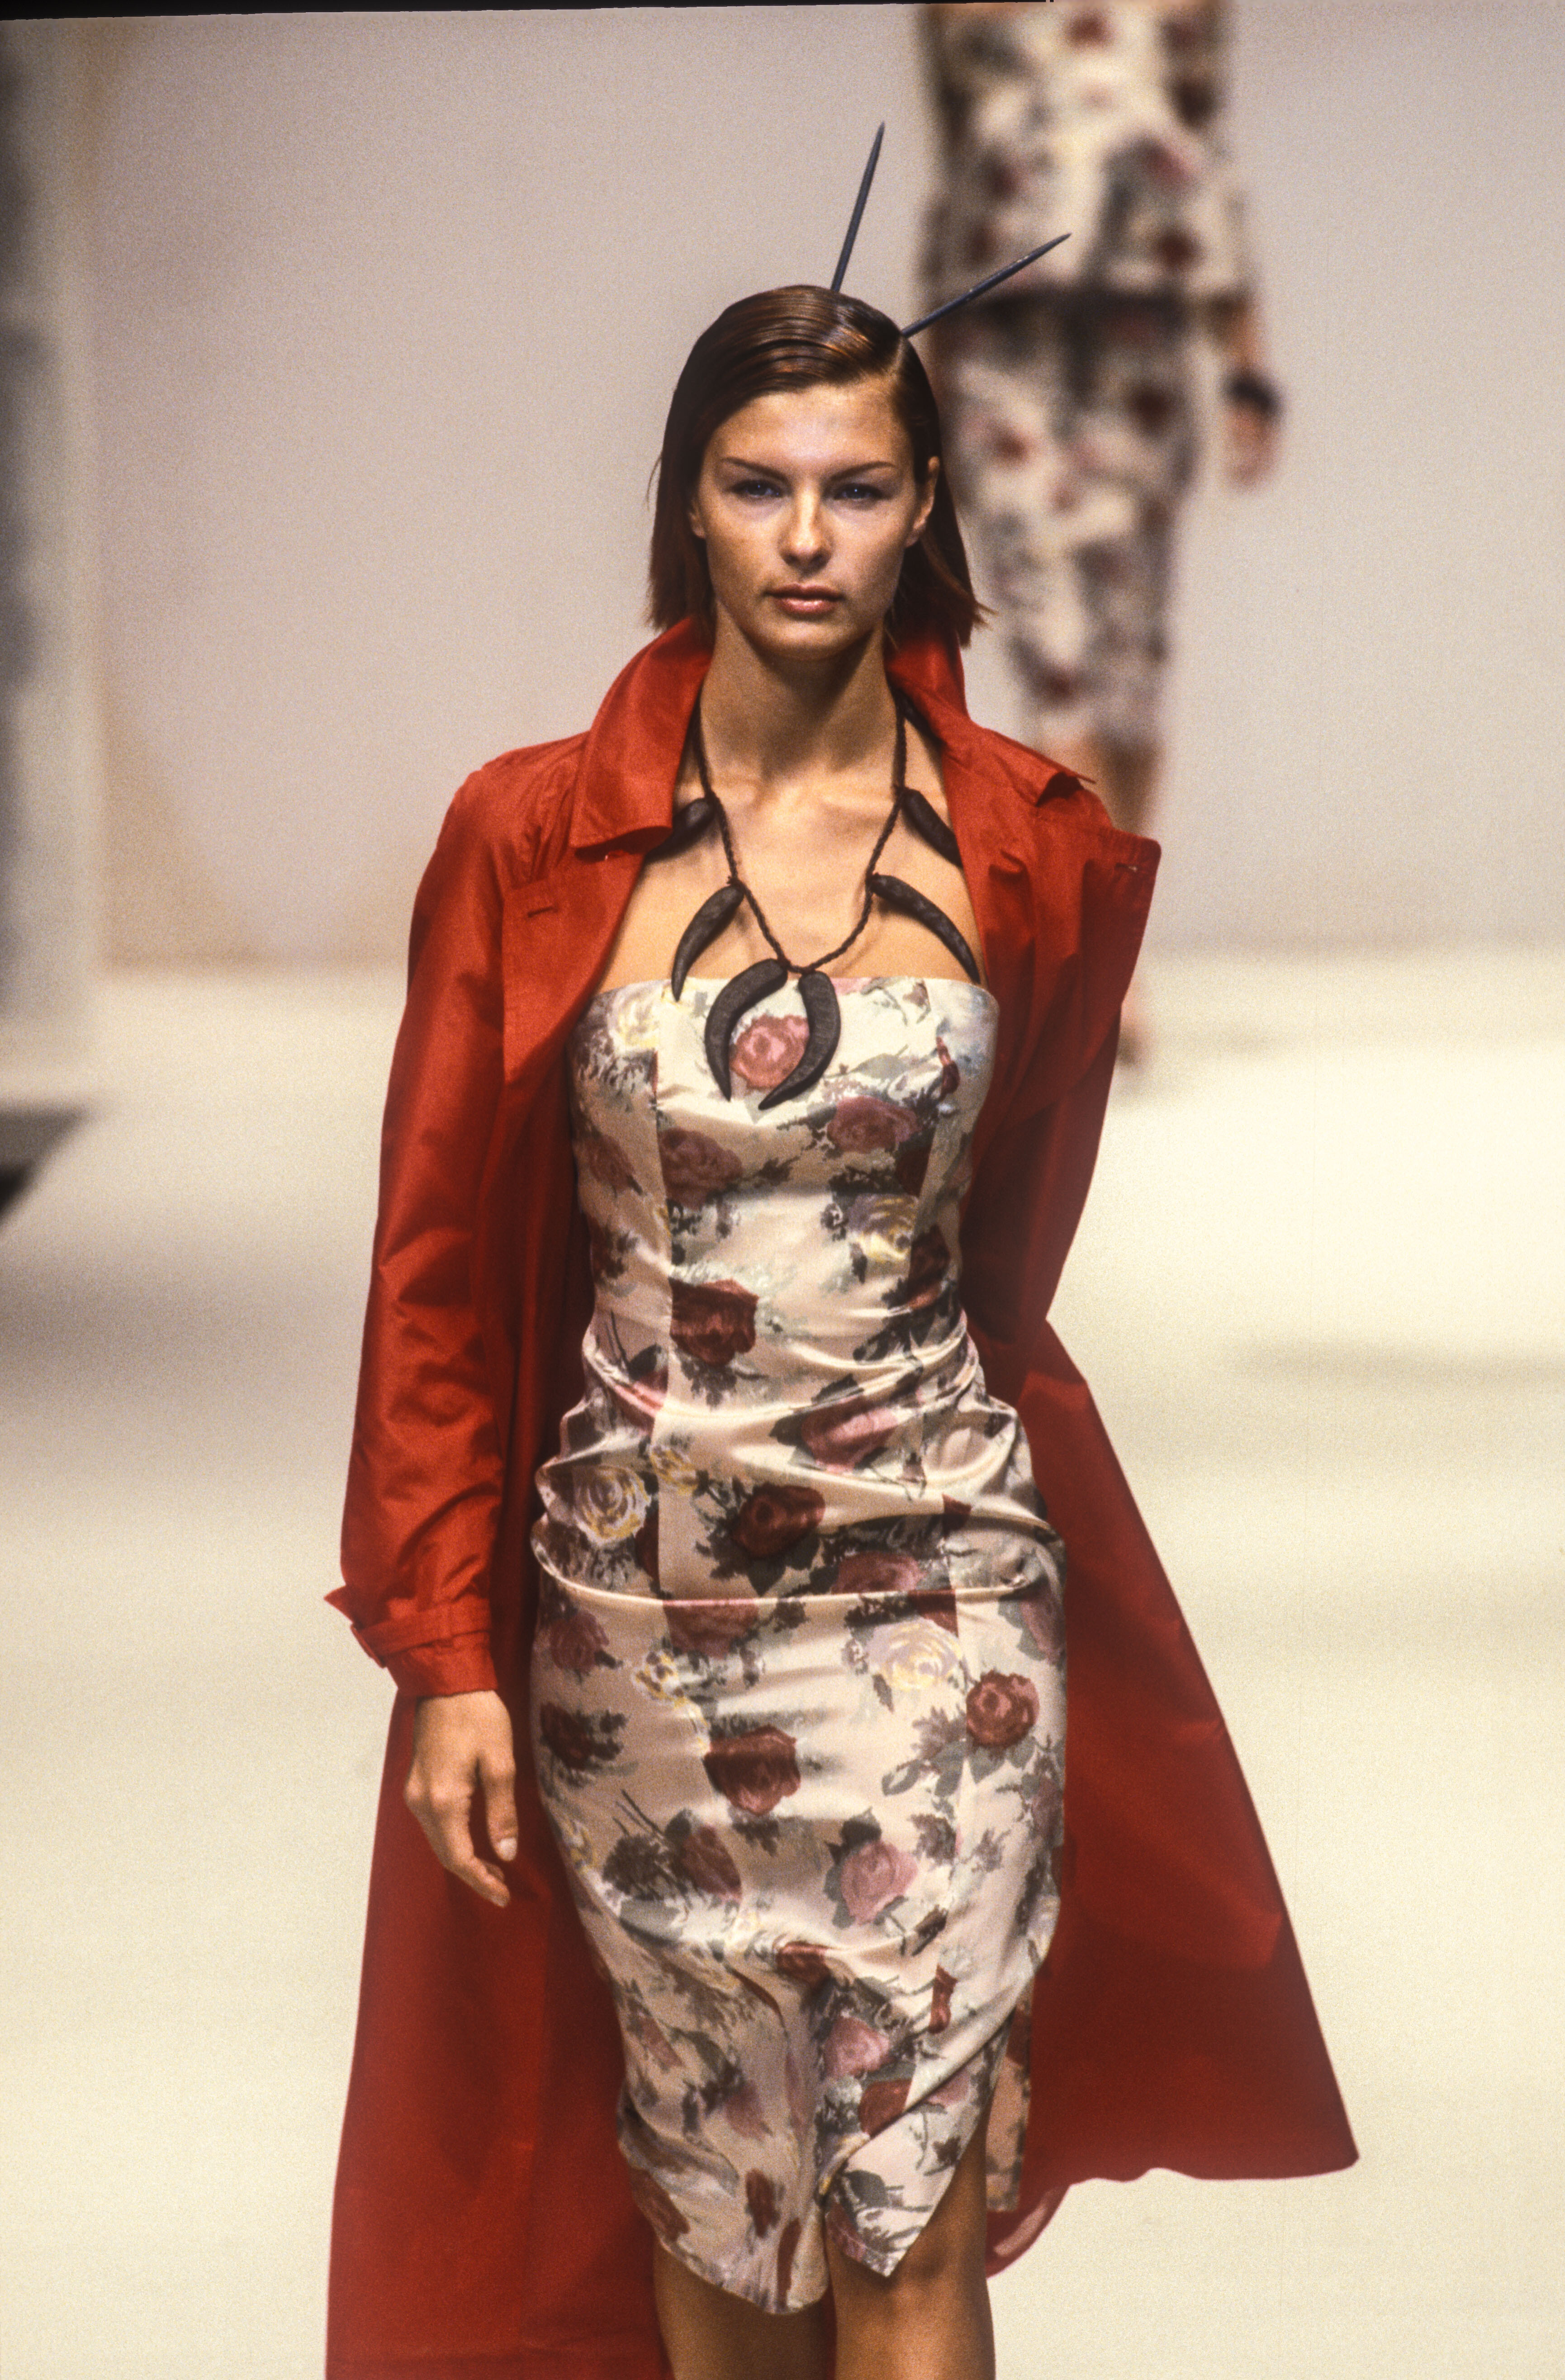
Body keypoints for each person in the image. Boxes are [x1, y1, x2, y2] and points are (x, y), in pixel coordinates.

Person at [325, 282, 1350, 2380]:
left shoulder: (1027, 841)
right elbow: (432, 1266)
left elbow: (1007, 1251)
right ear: (688, 503)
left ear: (926, 505)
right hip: (636, 1628)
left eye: (856, 488)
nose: (805, 535)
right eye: (758, 484)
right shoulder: (530, 838)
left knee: (909, 2216)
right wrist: (446, 1655)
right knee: (722, 2229)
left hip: (940, 1604)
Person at [920, 0, 1283, 1054]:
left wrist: (1246, 363)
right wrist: (926, 383)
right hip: (1001, 335)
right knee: (1055, 650)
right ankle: (1090, 959)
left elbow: (1201, 143)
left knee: (1128, 656)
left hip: (1144, 325)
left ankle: (1114, 943)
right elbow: (959, 150)